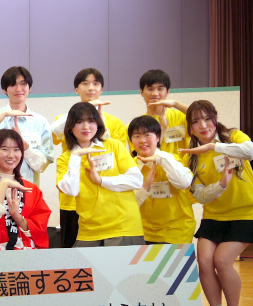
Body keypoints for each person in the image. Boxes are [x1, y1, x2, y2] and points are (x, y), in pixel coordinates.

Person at [180, 100, 253, 306]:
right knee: (204, 261)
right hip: (214, 216)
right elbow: (199, 195)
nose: (203, 125)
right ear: (190, 127)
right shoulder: (193, 158)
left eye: (207, 119)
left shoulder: (233, 137)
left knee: (222, 260)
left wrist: (215, 147)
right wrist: (220, 185)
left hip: (246, 212)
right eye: (196, 121)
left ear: (215, 119)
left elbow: (250, 152)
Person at [51, 68, 129, 247]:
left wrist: (101, 121)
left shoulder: (115, 123)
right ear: (76, 89)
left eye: (95, 84)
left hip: (104, 197)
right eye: (85, 83)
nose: (91, 88)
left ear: (102, 89)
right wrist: (82, 111)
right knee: (71, 251)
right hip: (72, 198)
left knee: (105, 252)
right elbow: (53, 132)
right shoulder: (63, 119)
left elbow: (114, 154)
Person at [57, 102, 144, 247]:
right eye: (79, 122)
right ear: (70, 127)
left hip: (124, 226)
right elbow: (71, 190)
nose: (86, 127)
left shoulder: (114, 145)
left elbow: (136, 180)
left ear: (98, 124)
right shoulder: (65, 159)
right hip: (89, 230)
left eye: (91, 121)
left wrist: (101, 180)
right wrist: (76, 156)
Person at [0, 129, 51, 251]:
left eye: (16, 149)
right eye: (5, 149)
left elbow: (39, 230)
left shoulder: (31, 189)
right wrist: (4, 183)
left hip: (26, 254)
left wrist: (19, 218)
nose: (11, 155)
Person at [0, 66, 54, 185]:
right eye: (12, 84)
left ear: (30, 88)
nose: (18, 89)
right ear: (4, 90)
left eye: (23, 84)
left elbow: (42, 166)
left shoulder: (41, 122)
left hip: (27, 189)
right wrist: (3, 114)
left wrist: (23, 145)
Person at [128, 115, 195, 244]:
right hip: (143, 232)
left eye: (147, 135)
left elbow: (184, 183)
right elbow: (129, 205)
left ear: (158, 137)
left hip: (176, 231)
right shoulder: (130, 166)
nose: (142, 140)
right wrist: (145, 187)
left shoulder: (171, 159)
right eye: (136, 136)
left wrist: (161, 159)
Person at [137, 69, 190, 155]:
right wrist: (162, 127)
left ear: (167, 92)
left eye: (160, 89)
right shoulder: (138, 125)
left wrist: (176, 104)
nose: (155, 93)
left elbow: (203, 116)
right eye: (150, 89)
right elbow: (143, 156)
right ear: (141, 92)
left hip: (180, 163)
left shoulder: (181, 116)